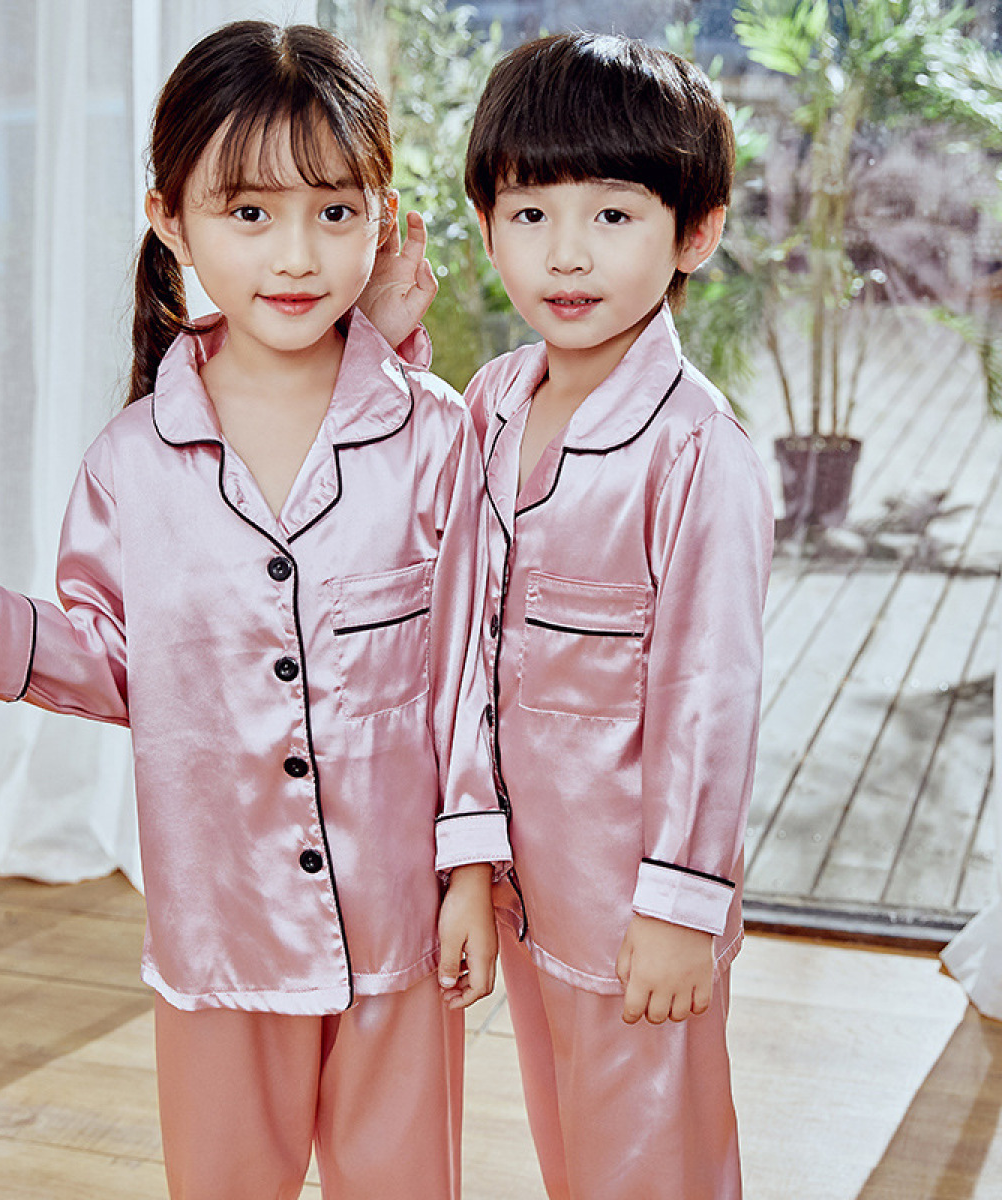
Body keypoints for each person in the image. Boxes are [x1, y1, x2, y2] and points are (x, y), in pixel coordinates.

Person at [0, 21, 508, 1200]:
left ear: (382, 218)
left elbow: (465, 673)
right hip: (221, 927)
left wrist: (471, 872)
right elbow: (125, 660)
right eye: (250, 212)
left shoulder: (434, 437)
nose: (297, 254)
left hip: (400, 926)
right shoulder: (132, 462)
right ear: (171, 220)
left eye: (334, 211)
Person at [385, 30, 774, 1200]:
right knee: (571, 1151)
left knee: (653, 1164)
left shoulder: (698, 452)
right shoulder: (496, 398)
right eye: (530, 213)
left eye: (612, 214)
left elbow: (710, 701)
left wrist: (680, 907)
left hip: (633, 903)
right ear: (485, 224)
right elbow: (454, 627)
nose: (566, 253)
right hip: (524, 886)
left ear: (694, 233)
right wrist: (467, 865)